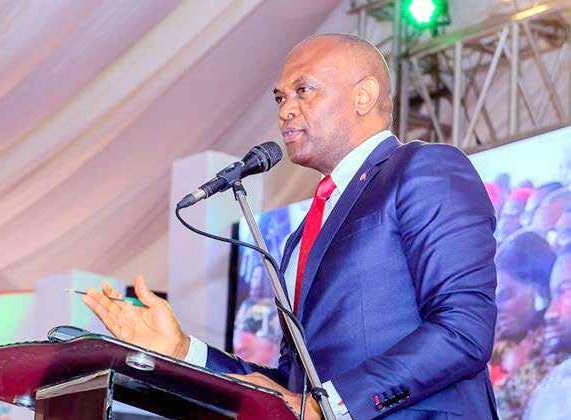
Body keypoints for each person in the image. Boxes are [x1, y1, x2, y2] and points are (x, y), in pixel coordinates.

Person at [83, 34, 498, 419]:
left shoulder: (423, 169)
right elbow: (293, 388)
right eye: (280, 97)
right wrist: (182, 351)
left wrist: (330, 404)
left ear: (364, 95)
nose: (285, 111)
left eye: (304, 90)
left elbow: (463, 329)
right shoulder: (300, 237)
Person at [489, 231, 556, 418]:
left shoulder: (553, 349)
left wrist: (517, 374)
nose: (497, 307)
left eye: (505, 295)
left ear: (539, 291)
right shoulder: (499, 342)